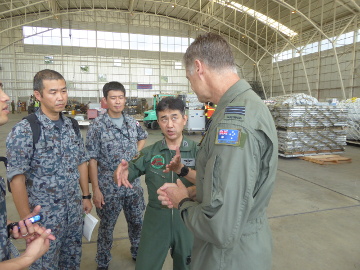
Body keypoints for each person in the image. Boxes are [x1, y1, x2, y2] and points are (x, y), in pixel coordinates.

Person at [157, 33, 278, 270]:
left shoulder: (233, 124)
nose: (190, 84)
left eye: (188, 76)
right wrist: (198, 192)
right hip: (245, 246)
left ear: (199, 68)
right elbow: (239, 187)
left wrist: (181, 201)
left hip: (228, 259)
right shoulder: (246, 105)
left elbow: (220, 227)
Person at [6, 69, 92, 270]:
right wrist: (27, 220)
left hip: (73, 215)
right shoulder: (26, 129)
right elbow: (16, 178)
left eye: (63, 91)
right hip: (44, 220)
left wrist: (86, 196)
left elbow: (81, 161)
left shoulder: (71, 125)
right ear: (38, 95)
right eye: (53, 92)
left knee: (71, 263)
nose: (60, 97)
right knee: (45, 265)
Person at [114, 97, 197, 270]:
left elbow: (212, 183)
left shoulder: (199, 152)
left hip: (189, 220)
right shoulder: (150, 152)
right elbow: (129, 170)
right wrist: (123, 172)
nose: (169, 124)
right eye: (164, 119)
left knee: (188, 266)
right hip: (156, 220)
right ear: (158, 121)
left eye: (174, 117)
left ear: (184, 119)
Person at [86, 81, 147, 269]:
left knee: (137, 222)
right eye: (113, 98)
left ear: (125, 99)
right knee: (107, 228)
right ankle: (103, 262)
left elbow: (143, 137)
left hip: (132, 185)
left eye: (121, 97)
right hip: (108, 188)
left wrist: (135, 155)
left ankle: (137, 251)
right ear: (105, 100)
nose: (118, 101)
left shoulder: (131, 122)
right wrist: (95, 190)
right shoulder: (97, 126)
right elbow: (92, 160)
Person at [0, 81, 56, 269]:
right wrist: (25, 259)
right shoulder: (24, 129)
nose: (6, 97)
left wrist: (9, 227)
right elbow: (17, 177)